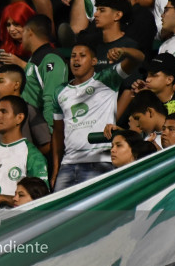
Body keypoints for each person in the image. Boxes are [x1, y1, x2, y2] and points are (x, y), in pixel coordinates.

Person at [51, 42, 140, 190]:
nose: (76, 59)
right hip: (68, 164)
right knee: (60, 213)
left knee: (96, 213)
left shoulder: (107, 79)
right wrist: (56, 168)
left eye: (82, 55)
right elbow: (58, 132)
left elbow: (138, 58)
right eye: (73, 56)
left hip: (100, 161)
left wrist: (124, 50)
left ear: (94, 61)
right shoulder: (59, 91)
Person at [0, 96, 49, 209]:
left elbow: (41, 200)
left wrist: (1, 198)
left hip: (16, 223)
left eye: (3, 112)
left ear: (19, 118)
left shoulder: (32, 155)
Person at [20, 15, 68, 130]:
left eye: (23, 32)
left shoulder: (51, 58)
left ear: (29, 32)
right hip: (32, 126)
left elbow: (52, 98)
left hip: (45, 131)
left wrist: (50, 132)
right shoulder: (34, 59)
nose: (21, 37)